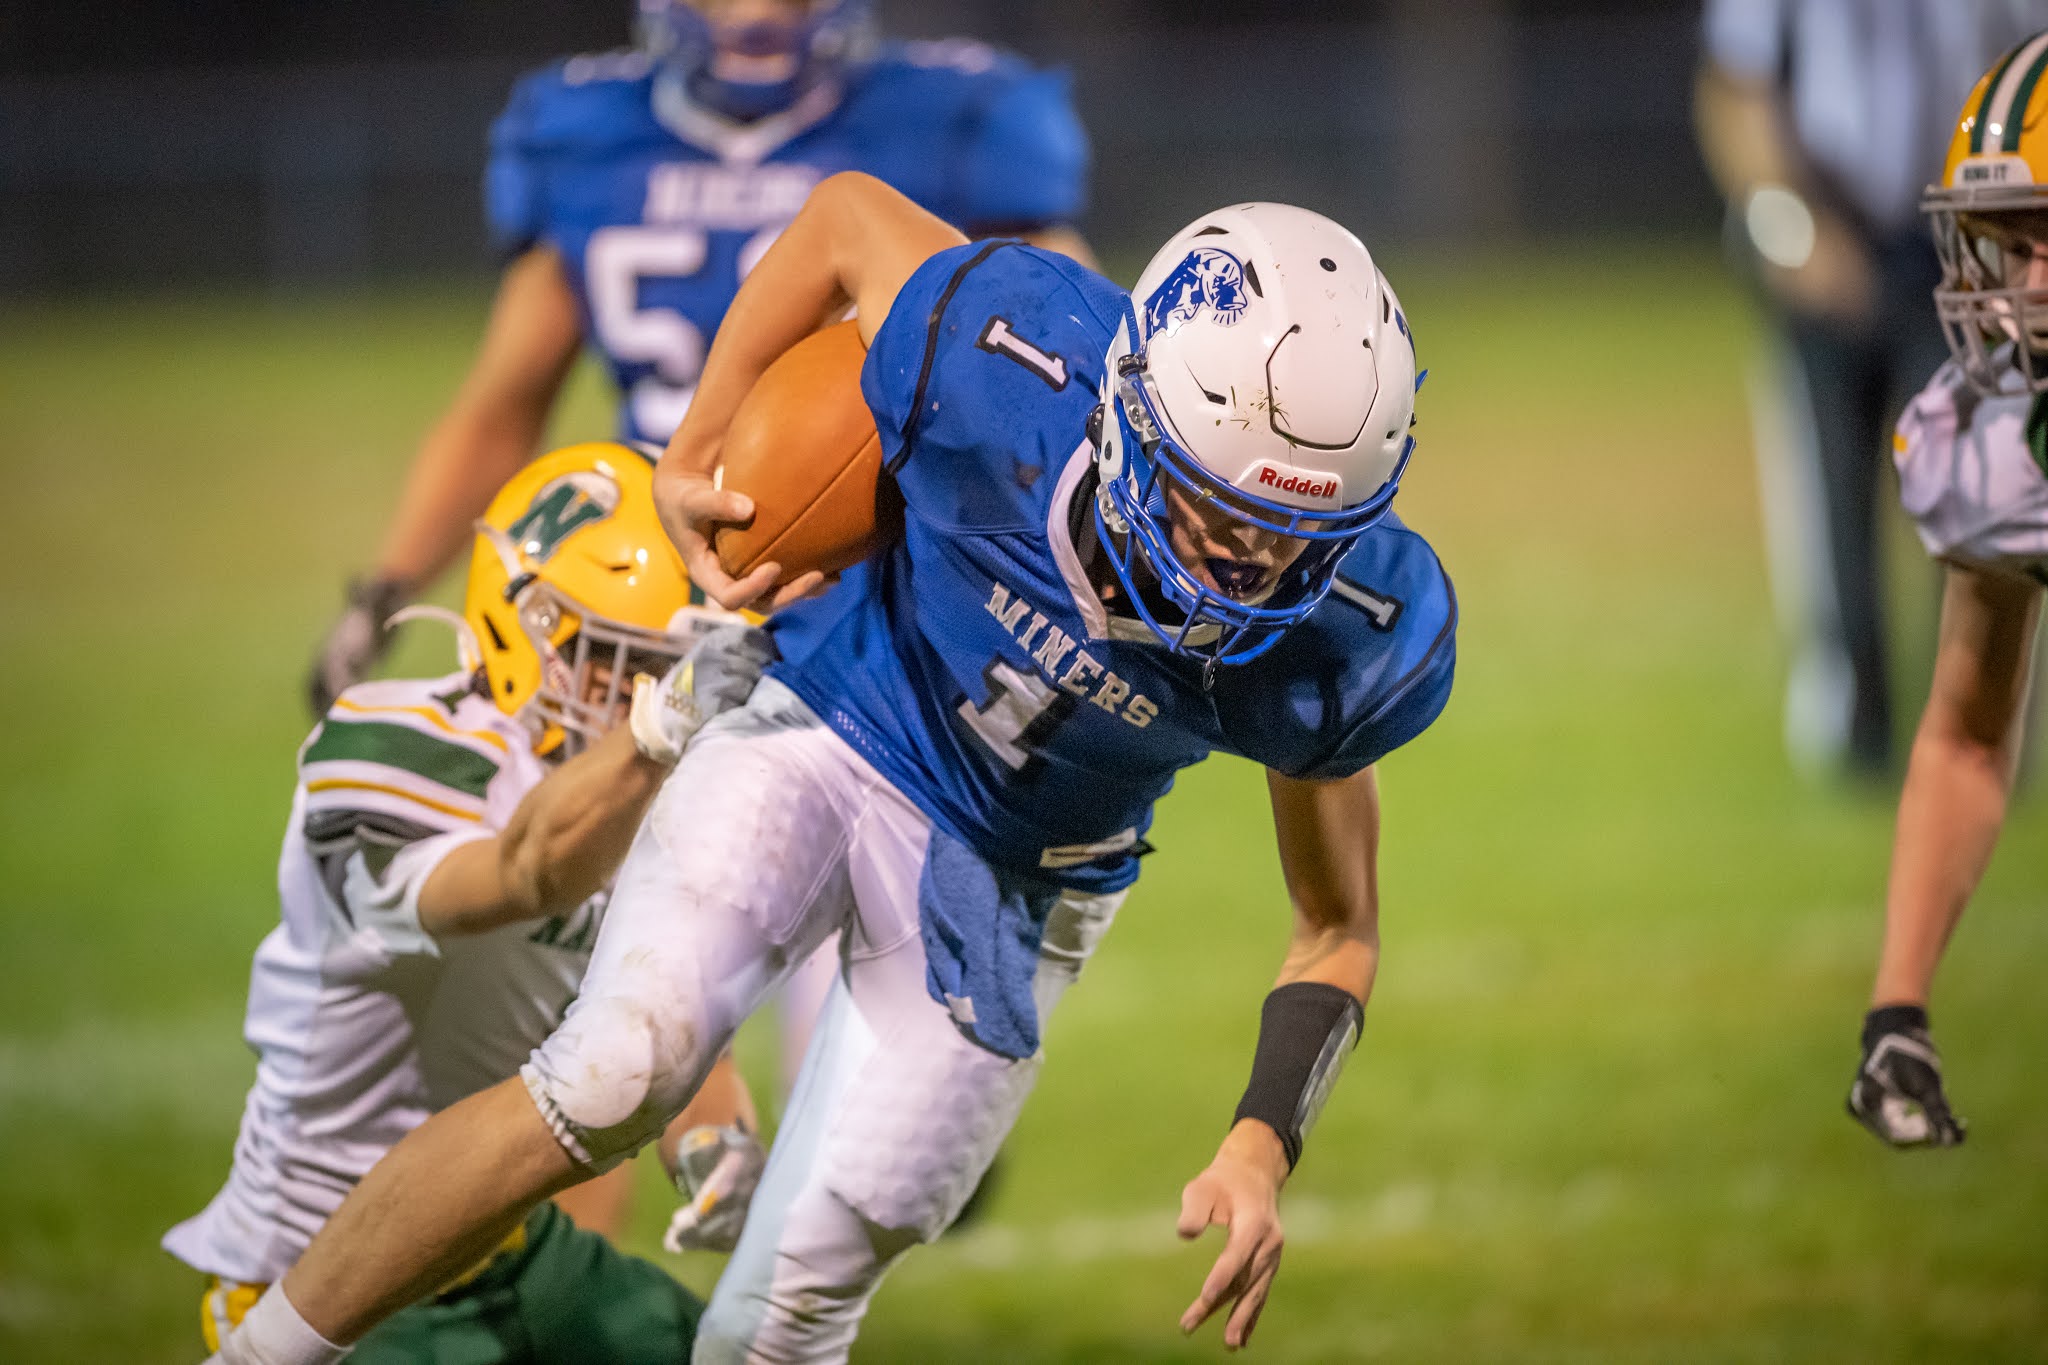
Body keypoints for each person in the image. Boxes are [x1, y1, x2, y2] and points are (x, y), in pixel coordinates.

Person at [206, 171, 1456, 1365]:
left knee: (795, 1301)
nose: (1243, 564)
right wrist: (695, 443)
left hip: (1014, 891)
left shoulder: (1351, 636)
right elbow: (846, 220)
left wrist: (1258, 1145)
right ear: (1128, 406)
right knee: (608, 1073)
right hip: (826, 727)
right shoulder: (1010, 348)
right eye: (1212, 506)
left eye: (1292, 535)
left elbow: (1336, 926)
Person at [306, 0, 1092, 716]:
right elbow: (503, 409)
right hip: (645, 581)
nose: (756, 12)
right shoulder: (586, 132)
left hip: (873, 581)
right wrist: (385, 590)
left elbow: (1076, 355)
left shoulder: (947, 118)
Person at [174, 443, 777, 1361]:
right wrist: (661, 732)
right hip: (328, 1267)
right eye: (625, 663)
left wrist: (715, 1144)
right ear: (525, 625)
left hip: (512, 1244)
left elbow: (681, 1003)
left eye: (676, 666)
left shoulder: (663, 783)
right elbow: (528, 873)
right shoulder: (396, 746)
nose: (646, 694)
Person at [1694, 0, 2043, 778]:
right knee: (1835, 502)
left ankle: (1979, 721)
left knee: (1976, 492)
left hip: (1961, 239)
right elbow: (1734, 87)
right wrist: (1791, 227)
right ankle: (1858, 725)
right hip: (1825, 226)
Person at [1848, 33, 2048, 1149]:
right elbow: (1968, 737)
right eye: (2005, 244)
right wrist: (1897, 1004)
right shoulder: (1999, 447)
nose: (2024, 291)